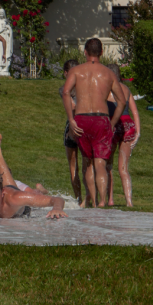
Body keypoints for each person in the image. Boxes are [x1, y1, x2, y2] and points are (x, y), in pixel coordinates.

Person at [62, 38, 126, 208]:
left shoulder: (76, 71)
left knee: (87, 162)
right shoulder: (109, 73)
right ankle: (103, 202)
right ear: (102, 52)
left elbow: (66, 92)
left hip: (82, 118)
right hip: (101, 118)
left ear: (85, 52)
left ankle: (95, 202)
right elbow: (121, 101)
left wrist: (71, 118)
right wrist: (112, 122)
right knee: (100, 163)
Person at [105, 64, 141, 207]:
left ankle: (110, 199)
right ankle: (129, 202)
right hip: (128, 125)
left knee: (108, 165)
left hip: (114, 125)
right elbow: (135, 112)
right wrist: (138, 132)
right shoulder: (126, 89)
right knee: (124, 168)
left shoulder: (106, 90)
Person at [59, 59, 87, 207]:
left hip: (76, 126)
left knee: (83, 165)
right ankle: (79, 199)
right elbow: (74, 106)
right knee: (75, 166)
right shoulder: (66, 90)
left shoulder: (66, 90)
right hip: (74, 127)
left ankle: (85, 199)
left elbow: (74, 105)